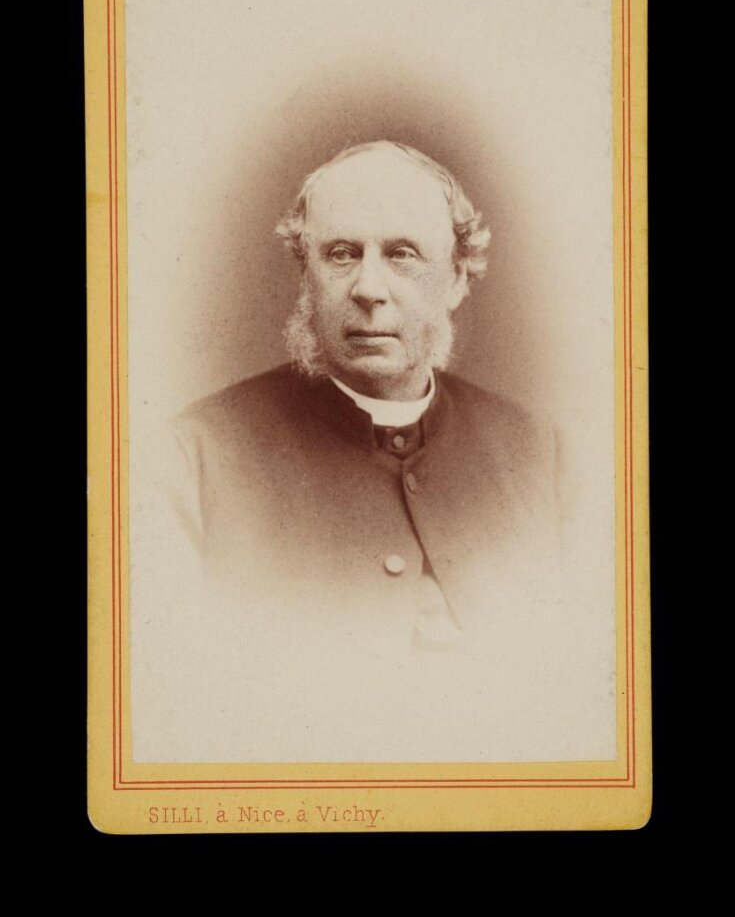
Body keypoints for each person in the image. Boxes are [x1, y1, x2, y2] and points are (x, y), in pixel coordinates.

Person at [144, 140, 589, 762]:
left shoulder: (545, 457)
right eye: (341, 254)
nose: (368, 288)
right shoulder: (191, 458)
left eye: (403, 255)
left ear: (458, 277)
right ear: (307, 276)